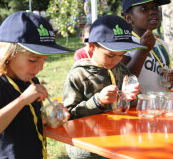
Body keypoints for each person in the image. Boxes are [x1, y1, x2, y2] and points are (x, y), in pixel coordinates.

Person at [0, 11, 73, 159]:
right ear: (8, 54)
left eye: (44, 60)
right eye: (33, 60)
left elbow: (25, 123)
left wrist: (50, 119)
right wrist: (22, 100)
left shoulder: (31, 82)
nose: (40, 68)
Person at [63, 15, 146, 159]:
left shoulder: (121, 69)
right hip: (87, 148)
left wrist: (130, 98)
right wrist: (97, 101)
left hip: (116, 141)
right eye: (110, 55)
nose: (116, 60)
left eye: (121, 55)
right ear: (91, 46)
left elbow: (132, 104)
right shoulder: (79, 74)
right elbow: (68, 115)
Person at [121, 0, 173, 93]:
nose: (153, 11)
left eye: (155, 7)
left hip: (160, 105)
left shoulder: (162, 44)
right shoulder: (124, 44)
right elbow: (123, 79)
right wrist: (143, 51)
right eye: (144, 9)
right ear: (129, 18)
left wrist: (171, 80)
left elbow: (159, 81)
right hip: (138, 106)